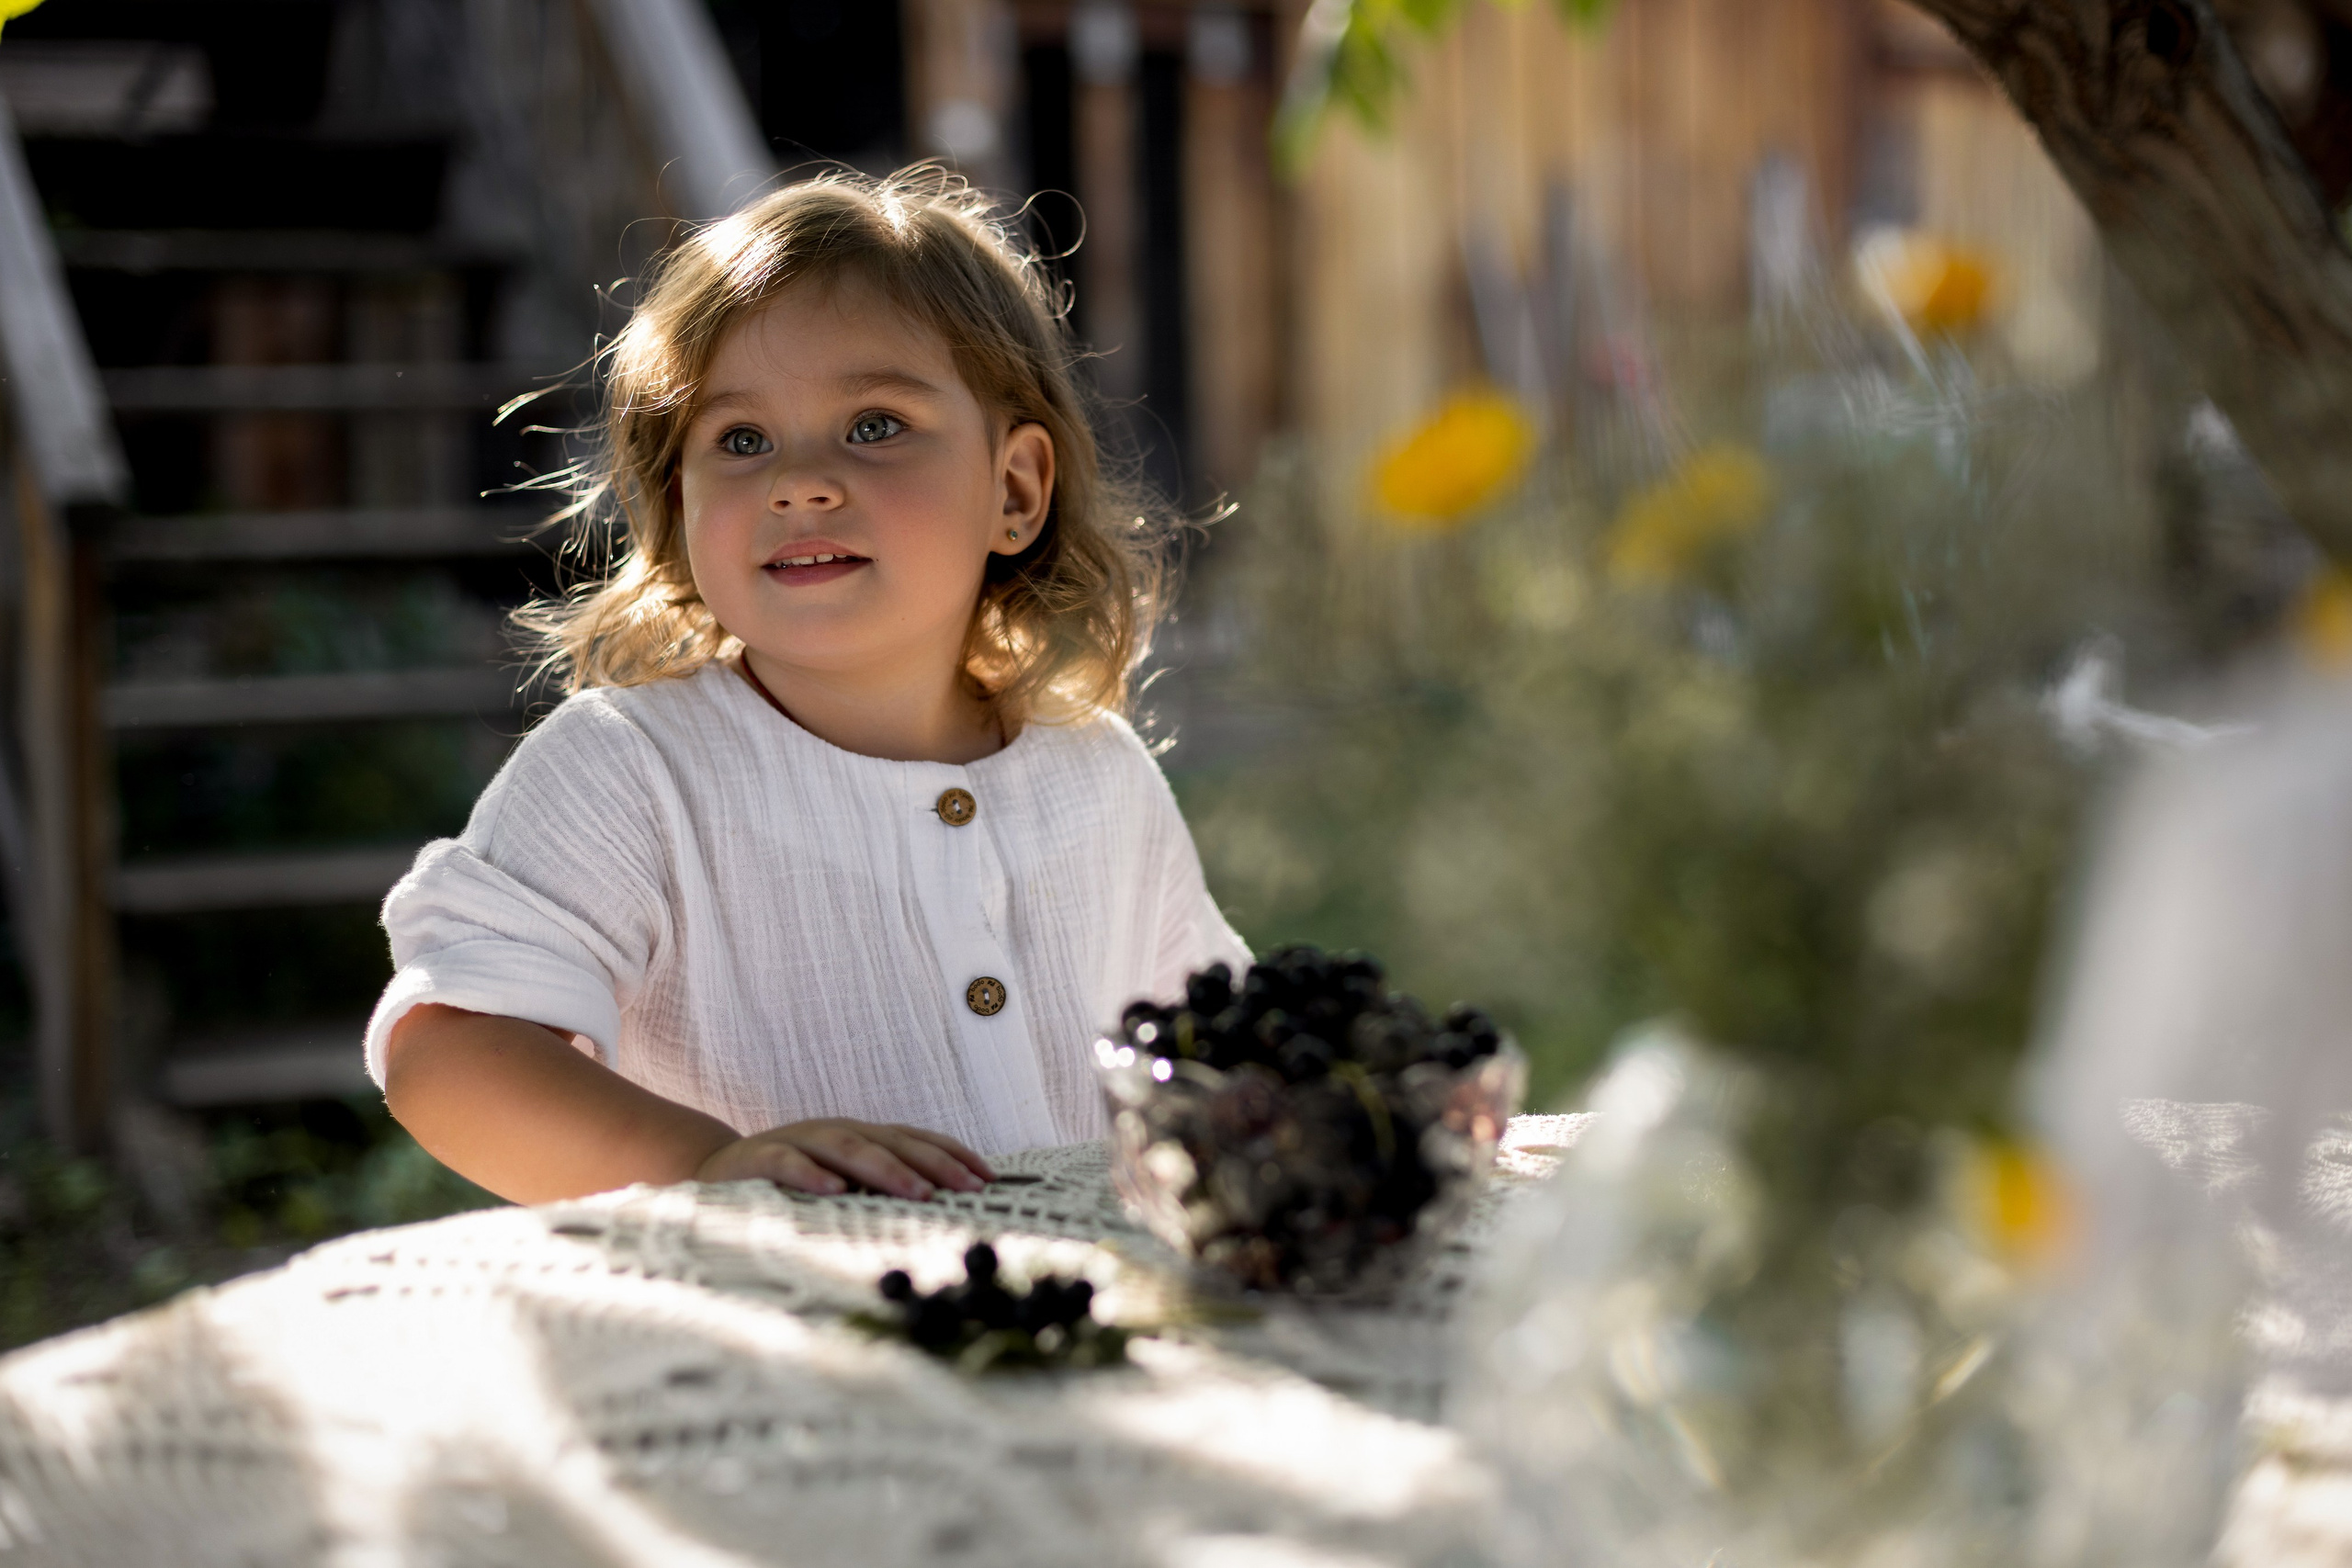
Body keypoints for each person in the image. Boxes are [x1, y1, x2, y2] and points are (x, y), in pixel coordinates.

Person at [368, 170, 1247, 1207]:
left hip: (1073, 1302)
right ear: (680, 508)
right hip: (770, 1302)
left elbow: (1223, 1059)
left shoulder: (1100, 775)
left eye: (874, 424)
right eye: (740, 441)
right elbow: (451, 1053)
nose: (797, 482)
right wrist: (707, 1166)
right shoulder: (628, 771)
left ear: (1013, 489)